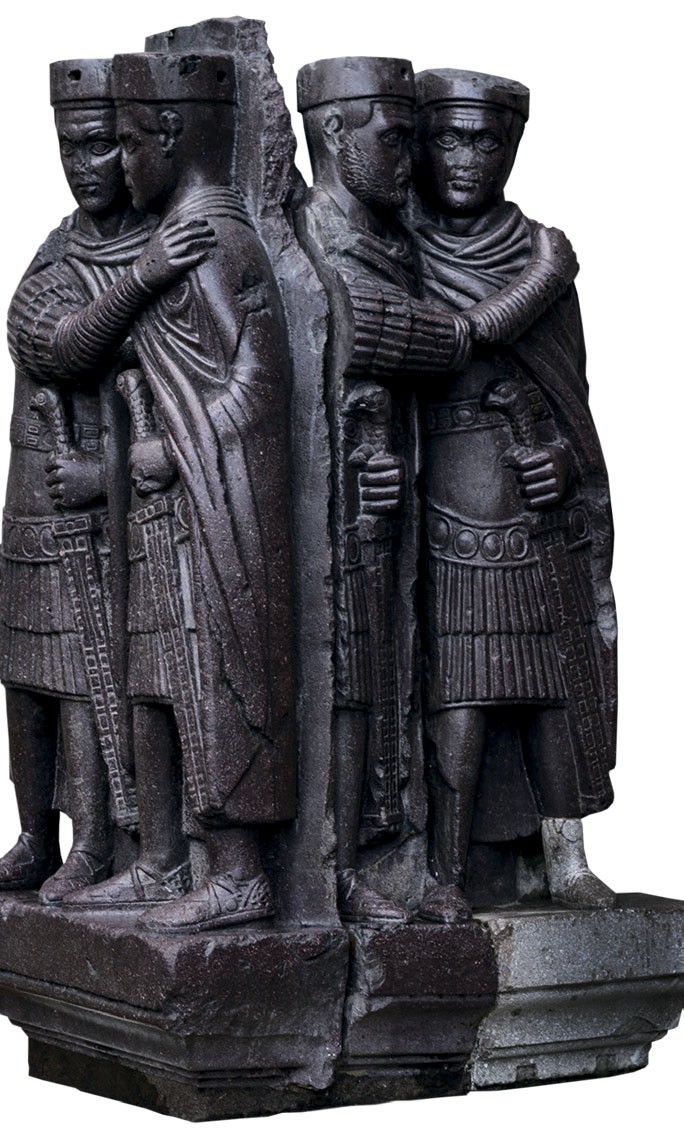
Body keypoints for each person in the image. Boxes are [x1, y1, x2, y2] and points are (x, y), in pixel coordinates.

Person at [67, 51, 296, 933]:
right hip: (167, 510)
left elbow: (259, 383)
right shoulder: (171, 239)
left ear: (171, 134)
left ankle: (240, 875)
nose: (121, 164)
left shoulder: (214, 240)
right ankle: (161, 861)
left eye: (129, 143)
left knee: (210, 684)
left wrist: (174, 447)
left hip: (211, 507)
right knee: (154, 684)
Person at [411, 69, 617, 919]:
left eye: (485, 141)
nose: (467, 158)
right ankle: (444, 869)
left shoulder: (540, 252)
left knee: (555, 692)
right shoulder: (398, 249)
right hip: (440, 509)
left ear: (512, 146)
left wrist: (565, 461)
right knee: (456, 702)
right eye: (449, 138)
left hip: (533, 513)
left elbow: (574, 394)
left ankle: (565, 859)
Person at [296, 57, 470, 923]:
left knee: (380, 673)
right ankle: (334, 867)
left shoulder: (394, 241)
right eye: (395, 136)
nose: (413, 157)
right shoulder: (309, 238)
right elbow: (370, 332)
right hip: (326, 509)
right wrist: (455, 330)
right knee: (343, 677)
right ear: (333, 130)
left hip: (390, 506)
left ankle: (379, 853)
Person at [0, 59, 153, 902]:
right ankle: (35, 835)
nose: (83, 166)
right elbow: (52, 342)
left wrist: (110, 472)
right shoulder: (60, 252)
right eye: (69, 147)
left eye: (99, 146)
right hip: (34, 488)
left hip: (107, 498)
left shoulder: (162, 248)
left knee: (88, 674)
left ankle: (94, 842)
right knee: (24, 672)